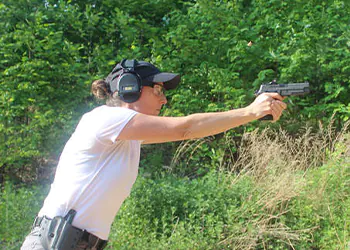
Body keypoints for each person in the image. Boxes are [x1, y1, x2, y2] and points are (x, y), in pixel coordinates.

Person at [21, 59, 287, 250]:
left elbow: (193, 130)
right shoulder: (106, 118)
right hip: (55, 241)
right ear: (129, 87)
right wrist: (250, 111)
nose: (164, 99)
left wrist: (253, 115)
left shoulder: (127, 137)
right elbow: (186, 128)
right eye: (158, 90)